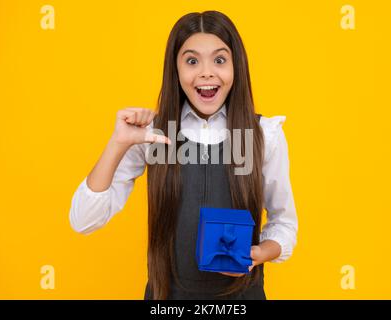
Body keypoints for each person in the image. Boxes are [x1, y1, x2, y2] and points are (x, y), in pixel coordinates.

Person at [69, 10, 298, 300]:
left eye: (219, 60)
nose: (206, 72)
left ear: (236, 66)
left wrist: (258, 253)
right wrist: (118, 143)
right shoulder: (151, 133)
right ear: (175, 70)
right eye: (192, 61)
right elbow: (84, 220)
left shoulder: (265, 134)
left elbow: (284, 224)